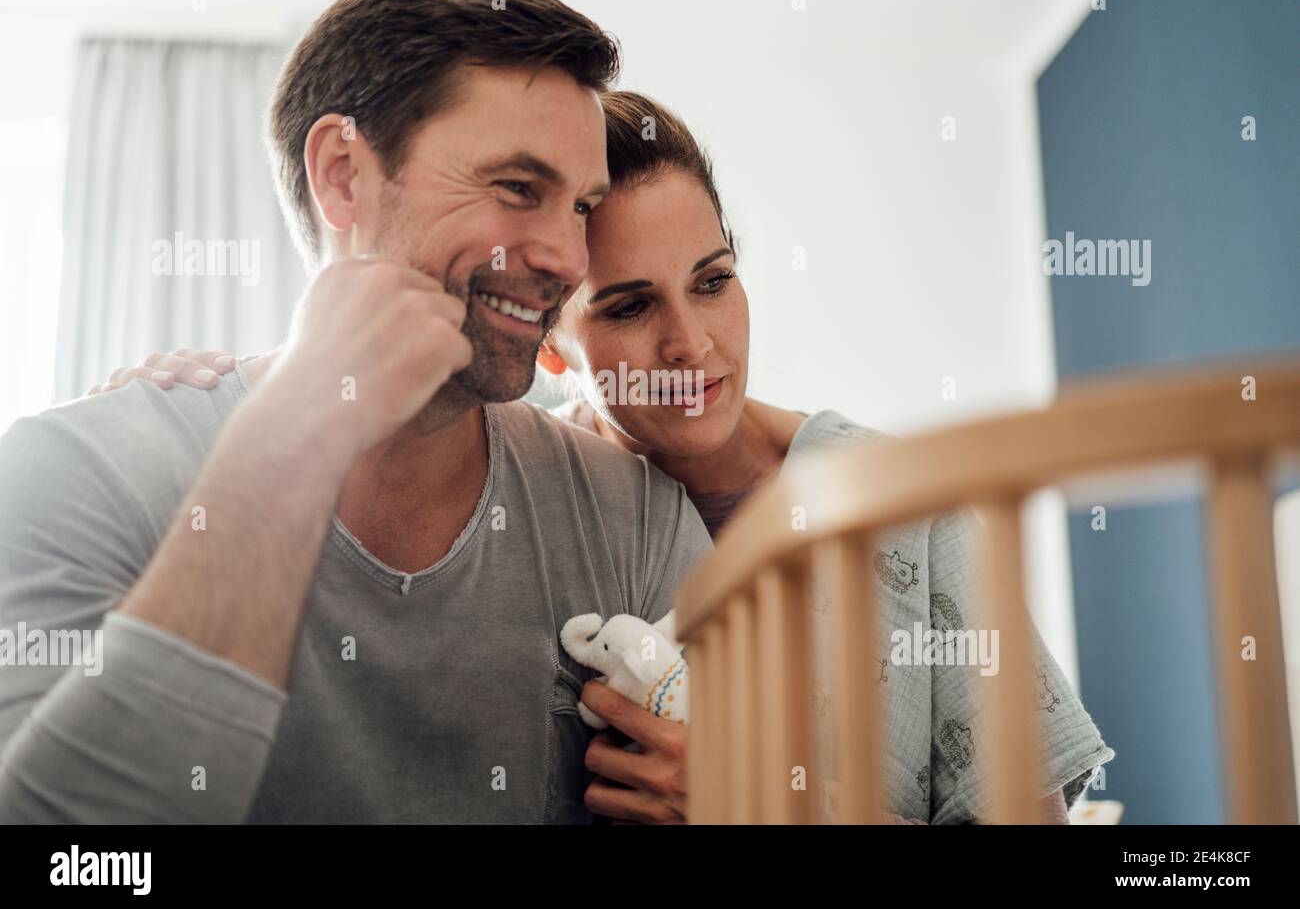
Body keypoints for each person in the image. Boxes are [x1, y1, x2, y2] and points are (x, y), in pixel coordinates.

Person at [98, 89, 1115, 824]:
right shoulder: (519, 492)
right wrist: (208, 396)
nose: (691, 346)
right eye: (628, 307)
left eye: (712, 281)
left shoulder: (906, 507)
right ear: (549, 339)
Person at [0, 0, 713, 824]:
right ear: (343, 174)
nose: (568, 257)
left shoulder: (634, 518)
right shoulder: (76, 472)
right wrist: (292, 429)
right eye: (518, 189)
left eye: (580, 208)